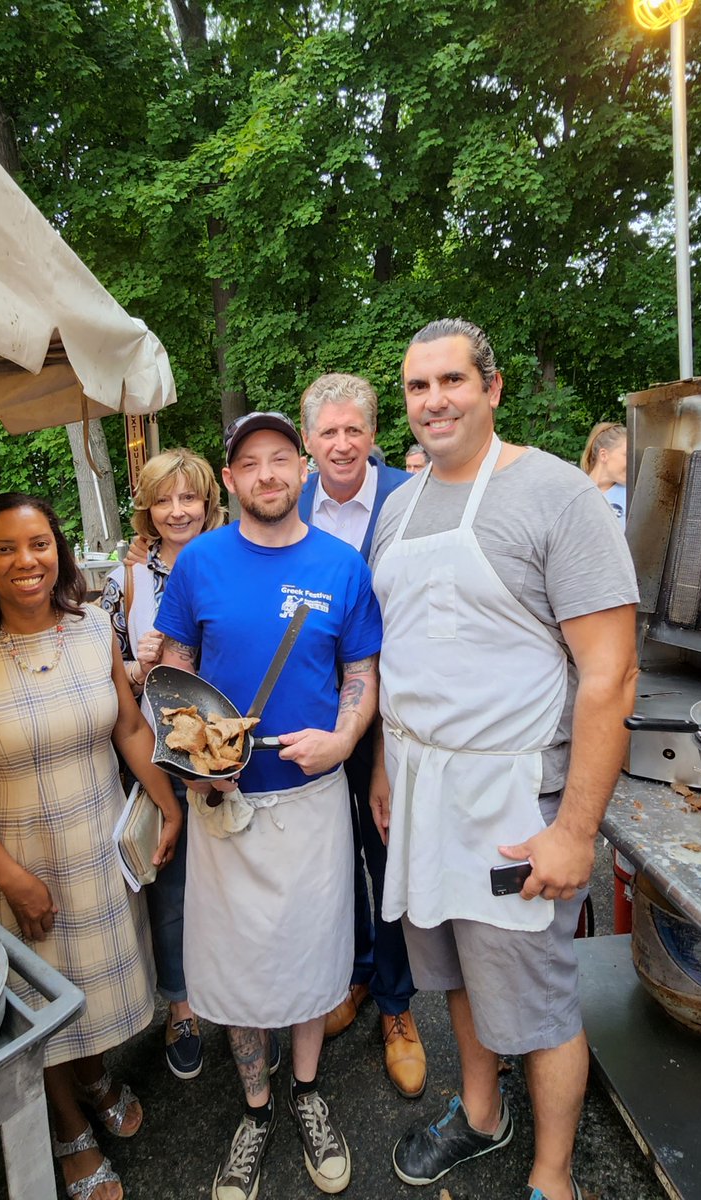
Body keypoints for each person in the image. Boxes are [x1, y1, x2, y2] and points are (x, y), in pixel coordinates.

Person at [368, 319, 638, 1200]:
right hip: (419, 791)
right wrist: (381, 767)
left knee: (540, 999)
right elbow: (401, 657)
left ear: (492, 388)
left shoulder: (557, 497)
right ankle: (481, 1115)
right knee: (450, 973)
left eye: (451, 382)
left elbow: (610, 676)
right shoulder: (397, 506)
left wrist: (575, 832)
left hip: (511, 801)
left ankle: (552, 1175)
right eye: (416, 388)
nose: (432, 401)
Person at [0, 492, 181, 1200]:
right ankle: (67, 1129)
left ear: (58, 552)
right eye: (4, 548)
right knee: (38, 1001)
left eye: (38, 544)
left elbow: (128, 729)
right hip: (16, 853)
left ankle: (92, 1075)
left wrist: (165, 798)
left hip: (98, 843)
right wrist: (4, 873)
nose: (25, 561)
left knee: (93, 987)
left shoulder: (93, 626)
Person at [156, 411, 381, 1200]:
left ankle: (308, 1093)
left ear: (302, 467)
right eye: (249, 463)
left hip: (312, 796)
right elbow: (174, 674)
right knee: (239, 960)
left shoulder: (341, 565)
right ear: (230, 479)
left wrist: (346, 739)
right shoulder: (200, 565)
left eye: (279, 459)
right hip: (225, 807)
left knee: (311, 950)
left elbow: (361, 672)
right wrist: (188, 761)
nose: (266, 474)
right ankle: (254, 1109)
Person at [296, 374, 426, 1099]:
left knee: (389, 856)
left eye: (354, 430)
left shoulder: (409, 501)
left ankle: (398, 1007)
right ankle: (349, 974)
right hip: (311, 717)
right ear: (308, 440)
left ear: (373, 435)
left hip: (390, 718)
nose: (342, 444)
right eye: (328, 432)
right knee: (330, 857)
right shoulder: (288, 508)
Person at [99, 448, 225, 1081]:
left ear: (209, 502)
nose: (178, 511)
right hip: (158, 751)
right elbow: (106, 670)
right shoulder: (127, 578)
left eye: (189, 498)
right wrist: (139, 664)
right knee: (171, 885)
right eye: (164, 499)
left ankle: (238, 996)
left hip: (225, 751)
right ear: (147, 506)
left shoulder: (234, 557)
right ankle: (181, 1005)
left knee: (233, 876)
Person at [579, 422, 627, 526]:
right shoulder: (574, 491)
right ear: (604, 455)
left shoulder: (632, 496)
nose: (633, 462)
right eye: (627, 455)